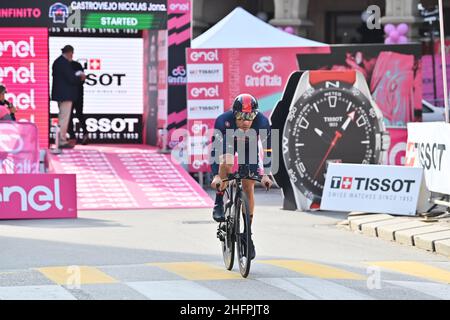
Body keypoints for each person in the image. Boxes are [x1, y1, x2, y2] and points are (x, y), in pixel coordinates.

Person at [210, 93, 273, 260]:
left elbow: (268, 149)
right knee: (227, 161)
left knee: (248, 185)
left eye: (250, 117)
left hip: (249, 146)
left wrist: (266, 174)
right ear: (234, 114)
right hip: (228, 142)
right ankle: (219, 200)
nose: (246, 122)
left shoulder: (262, 122)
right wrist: (217, 175)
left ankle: (248, 235)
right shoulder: (223, 120)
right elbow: (215, 150)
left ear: (256, 114)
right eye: (241, 117)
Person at [51, 45, 86, 148]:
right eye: (72, 54)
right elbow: (71, 78)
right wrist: (80, 77)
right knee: (64, 118)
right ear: (70, 53)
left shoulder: (59, 61)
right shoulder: (63, 63)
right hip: (65, 95)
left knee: (62, 117)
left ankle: (60, 140)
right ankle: (61, 141)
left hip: (62, 95)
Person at [67, 59, 88, 145]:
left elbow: (83, 79)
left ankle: (85, 133)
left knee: (79, 114)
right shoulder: (62, 66)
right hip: (67, 95)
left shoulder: (77, 65)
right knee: (69, 115)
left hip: (78, 94)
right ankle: (72, 137)